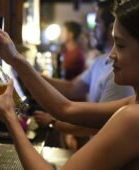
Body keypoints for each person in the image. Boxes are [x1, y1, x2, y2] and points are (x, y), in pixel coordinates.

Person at [0, 0, 139, 168]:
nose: (111, 54)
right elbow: (65, 108)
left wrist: (9, 116)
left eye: (120, 45)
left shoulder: (132, 117)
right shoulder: (132, 102)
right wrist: (14, 58)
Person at [34, 0, 134, 139]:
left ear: (111, 28)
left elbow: (99, 125)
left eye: (97, 23)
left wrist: (53, 122)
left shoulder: (119, 72)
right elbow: (72, 87)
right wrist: (34, 75)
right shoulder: (101, 61)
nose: (93, 29)